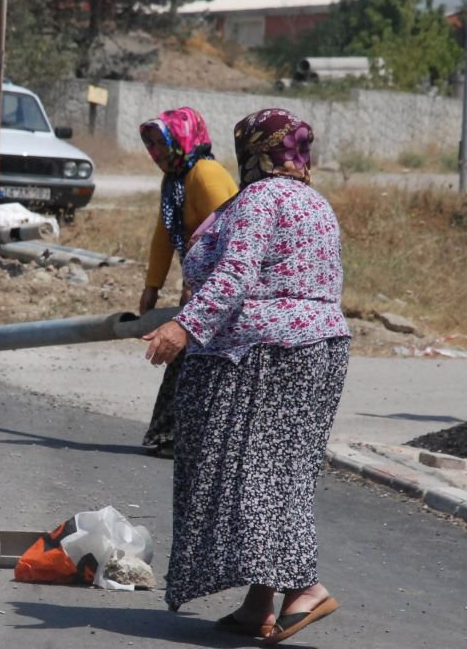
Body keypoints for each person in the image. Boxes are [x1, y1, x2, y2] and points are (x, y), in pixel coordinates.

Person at [142, 108, 351, 644]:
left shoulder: (261, 200)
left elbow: (238, 271)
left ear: (253, 150)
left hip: (264, 354)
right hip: (316, 351)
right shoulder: (315, 202)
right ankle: (260, 600)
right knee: (279, 473)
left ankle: (304, 586)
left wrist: (184, 327)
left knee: (249, 474)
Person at [137, 107, 238, 458]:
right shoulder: (176, 181)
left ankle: (184, 437)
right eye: (152, 147)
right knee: (186, 359)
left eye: (161, 145)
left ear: (181, 140)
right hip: (202, 287)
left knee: (195, 361)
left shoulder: (205, 175)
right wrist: (152, 285)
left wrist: (198, 287)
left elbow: (230, 232)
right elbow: (165, 235)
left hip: (223, 290)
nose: (157, 155)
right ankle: (171, 436)